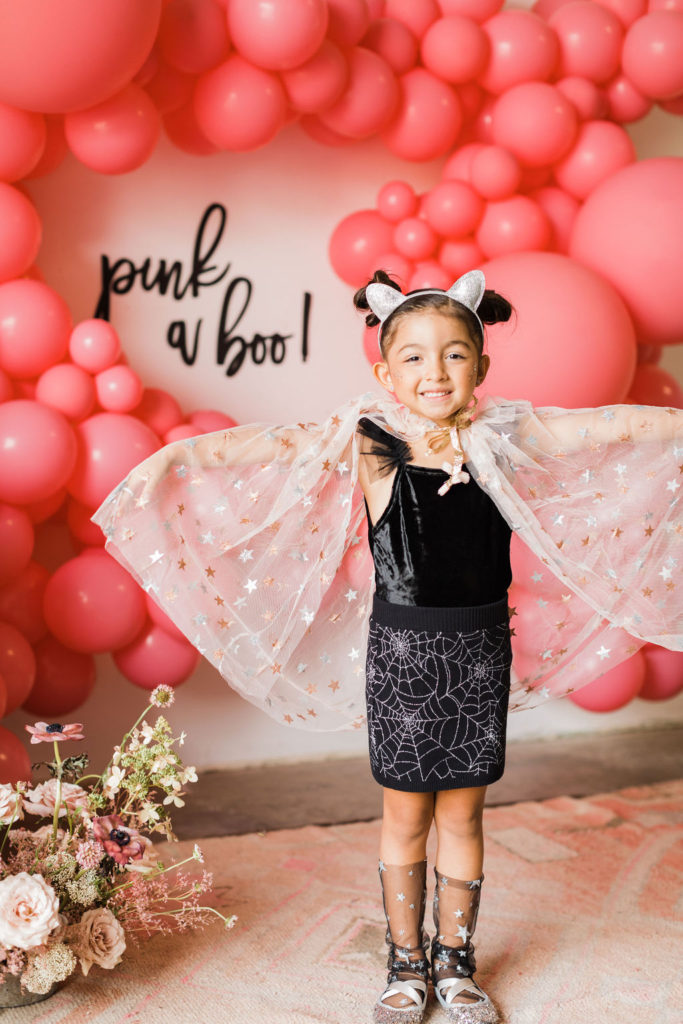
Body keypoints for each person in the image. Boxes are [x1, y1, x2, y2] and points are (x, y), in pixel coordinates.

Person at [93, 269, 682, 1024]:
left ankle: (456, 965)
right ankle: (405, 966)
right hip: (404, 660)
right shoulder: (372, 443)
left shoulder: (505, 439)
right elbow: (272, 449)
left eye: (454, 355)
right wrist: (172, 462)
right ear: (384, 374)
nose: (435, 371)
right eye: (413, 357)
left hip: (478, 656)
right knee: (406, 817)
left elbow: (605, 430)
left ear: (481, 367)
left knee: (463, 816)